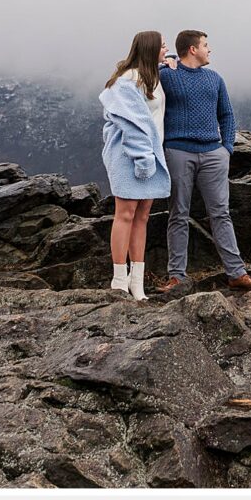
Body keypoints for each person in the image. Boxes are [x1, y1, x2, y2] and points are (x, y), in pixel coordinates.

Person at [156, 29, 251, 293]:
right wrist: (165, 60)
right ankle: (177, 277)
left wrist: (226, 149)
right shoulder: (167, 75)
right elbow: (143, 75)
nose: (210, 49)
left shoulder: (215, 79)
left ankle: (237, 273)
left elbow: (227, 115)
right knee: (178, 214)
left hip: (213, 154)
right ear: (192, 49)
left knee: (221, 214)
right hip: (178, 152)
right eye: (206, 45)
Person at [98, 31, 170, 302]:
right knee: (125, 213)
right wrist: (143, 158)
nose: (167, 50)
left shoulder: (150, 76)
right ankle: (119, 279)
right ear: (151, 49)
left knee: (142, 216)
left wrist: (169, 63)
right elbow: (132, 124)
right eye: (163, 47)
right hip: (129, 156)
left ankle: (136, 281)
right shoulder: (127, 81)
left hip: (151, 156)